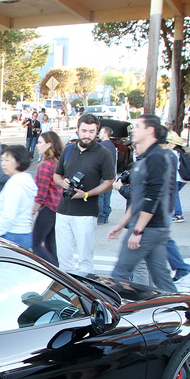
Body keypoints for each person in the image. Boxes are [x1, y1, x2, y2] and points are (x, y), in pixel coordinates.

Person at [108, 115, 177, 293]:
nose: (133, 129)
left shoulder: (157, 157)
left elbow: (151, 198)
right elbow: (138, 199)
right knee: (162, 279)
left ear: (150, 131)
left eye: (138, 126)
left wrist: (138, 230)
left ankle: (118, 315)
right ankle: (180, 310)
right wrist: (121, 224)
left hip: (148, 228)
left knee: (119, 274)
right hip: (152, 228)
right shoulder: (144, 158)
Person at [54, 114, 116, 275]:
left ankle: (86, 294)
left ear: (97, 132)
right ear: (77, 130)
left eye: (91, 131)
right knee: (64, 259)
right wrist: (63, 183)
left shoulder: (103, 153)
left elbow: (109, 182)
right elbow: (56, 175)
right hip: (63, 211)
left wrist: (86, 194)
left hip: (86, 213)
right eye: (84, 131)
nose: (87, 135)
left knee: (85, 259)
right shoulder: (68, 150)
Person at [0, 145, 36, 249]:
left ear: (19, 161)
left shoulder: (15, 184)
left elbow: (8, 216)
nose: (3, 163)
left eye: (7, 160)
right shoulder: (26, 180)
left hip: (11, 235)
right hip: (24, 233)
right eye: (2, 160)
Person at [32, 130, 64, 266]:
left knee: (36, 244)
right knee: (51, 244)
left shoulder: (46, 165)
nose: (37, 146)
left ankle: (56, 274)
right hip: (57, 209)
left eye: (40, 142)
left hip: (48, 209)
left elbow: (41, 194)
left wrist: (32, 212)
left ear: (49, 144)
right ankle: (58, 275)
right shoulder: (57, 162)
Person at [97, 126, 118, 224]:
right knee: (107, 196)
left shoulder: (101, 146)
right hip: (111, 174)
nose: (99, 134)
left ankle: (100, 217)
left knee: (101, 195)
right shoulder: (112, 146)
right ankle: (105, 215)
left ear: (106, 133)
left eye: (101, 132)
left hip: (102, 174)